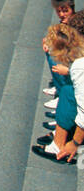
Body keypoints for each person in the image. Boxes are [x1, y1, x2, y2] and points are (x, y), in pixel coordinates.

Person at [31, 23, 84, 163]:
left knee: (68, 92)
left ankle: (58, 145)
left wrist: (75, 144)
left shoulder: (79, 67)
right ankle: (65, 131)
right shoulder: (79, 58)